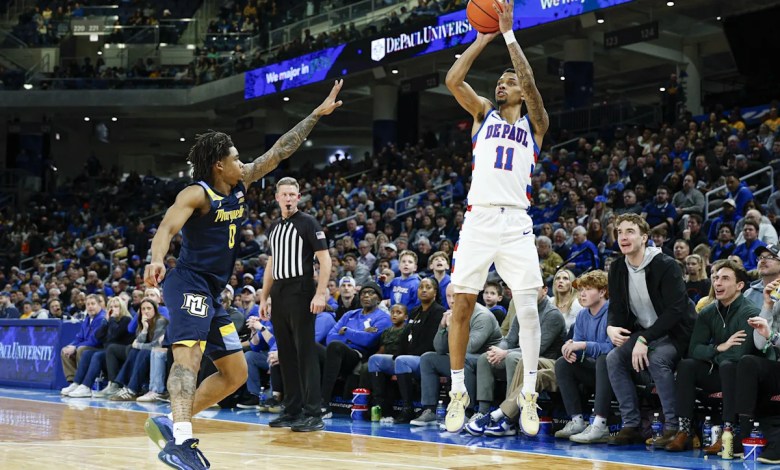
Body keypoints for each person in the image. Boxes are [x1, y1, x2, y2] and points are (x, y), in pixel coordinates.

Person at [142, 80, 343, 468]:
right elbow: (166, 228)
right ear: (219, 165)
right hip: (188, 284)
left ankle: (171, 421)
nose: (243, 162)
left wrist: (316, 114)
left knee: (233, 373)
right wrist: (156, 259)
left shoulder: (240, 183)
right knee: (188, 358)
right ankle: (181, 441)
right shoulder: (197, 193)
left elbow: (279, 150)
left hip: (214, 292)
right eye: (235, 158)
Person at [443, 0, 548, 434]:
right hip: (479, 219)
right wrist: (483, 38)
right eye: (500, 81)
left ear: (521, 91)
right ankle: (456, 393)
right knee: (462, 303)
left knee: (527, 308)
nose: (503, 85)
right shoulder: (482, 115)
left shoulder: (534, 124)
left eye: (510, 81)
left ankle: (528, 397)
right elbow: (453, 79)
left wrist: (508, 35)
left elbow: (531, 84)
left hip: (516, 222)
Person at [605, 213, 694, 447]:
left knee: (658, 359)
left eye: (630, 232)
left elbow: (675, 311)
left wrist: (644, 339)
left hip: (675, 332)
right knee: (614, 358)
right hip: (645, 333)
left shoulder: (666, 265)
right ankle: (631, 424)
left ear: (644, 238)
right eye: (620, 232)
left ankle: (673, 427)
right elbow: (616, 308)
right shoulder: (616, 267)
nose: (623, 237)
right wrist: (611, 327)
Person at [260, 177, 335, 433]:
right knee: (286, 354)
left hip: (301, 289)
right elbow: (271, 264)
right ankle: (292, 410)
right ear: (277, 197)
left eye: (293, 194)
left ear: (298, 196)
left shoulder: (308, 223)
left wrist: (320, 293)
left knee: (305, 353)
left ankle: (313, 413)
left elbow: (325, 261)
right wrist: (263, 297)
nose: (289, 198)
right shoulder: (274, 228)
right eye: (285, 194)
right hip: (279, 292)